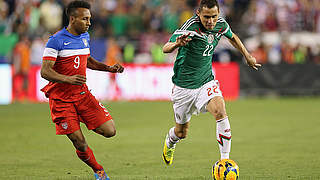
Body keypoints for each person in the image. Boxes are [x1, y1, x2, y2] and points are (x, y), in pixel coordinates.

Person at [161, 0, 261, 166]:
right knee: (181, 132)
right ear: (199, 14)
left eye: (214, 16)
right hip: (183, 87)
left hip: (206, 81)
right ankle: (171, 140)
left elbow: (233, 37)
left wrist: (247, 55)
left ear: (218, 14)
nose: (211, 21)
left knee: (220, 110)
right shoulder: (190, 27)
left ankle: (225, 161)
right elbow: (165, 47)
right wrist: (178, 43)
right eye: (207, 17)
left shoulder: (220, 24)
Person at [40, 1, 124, 180]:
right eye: (85, 19)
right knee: (80, 142)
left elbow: (89, 61)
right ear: (72, 19)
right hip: (61, 100)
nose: (89, 22)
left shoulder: (85, 37)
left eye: (89, 19)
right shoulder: (56, 40)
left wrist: (108, 68)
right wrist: (68, 79)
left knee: (110, 130)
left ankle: (79, 117)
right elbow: (45, 71)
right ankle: (98, 170)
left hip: (82, 95)